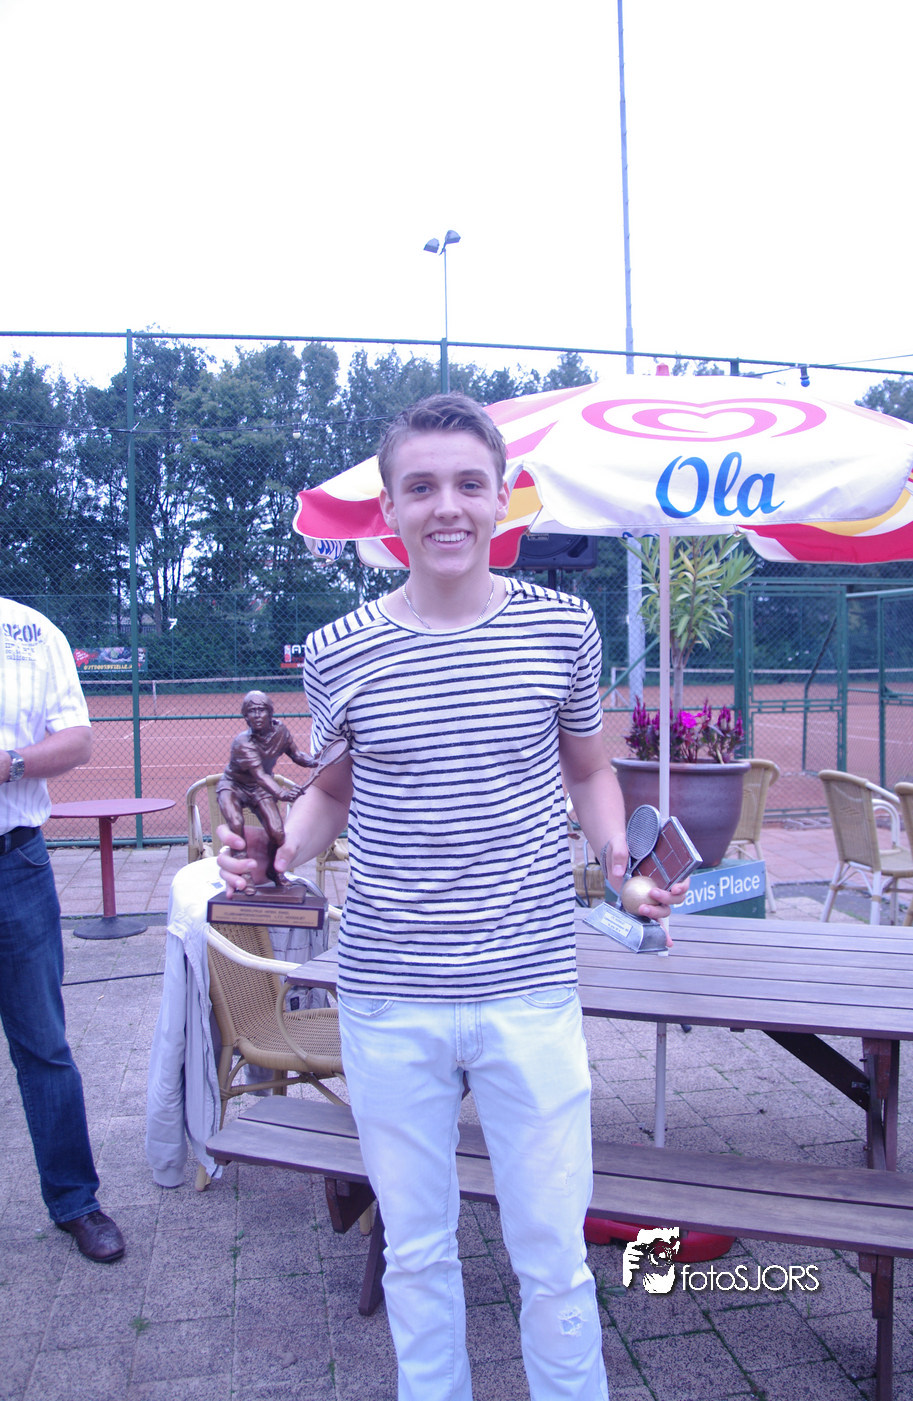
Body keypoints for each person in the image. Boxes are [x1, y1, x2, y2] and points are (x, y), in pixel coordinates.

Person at [217, 394, 688, 1400]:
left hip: (530, 986)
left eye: (469, 483)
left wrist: (620, 861)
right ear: (389, 509)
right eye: (421, 486)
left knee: (552, 1256)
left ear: (501, 498)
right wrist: (277, 854)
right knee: (417, 1252)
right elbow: (332, 790)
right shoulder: (340, 648)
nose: (446, 506)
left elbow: (589, 770)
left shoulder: (561, 626)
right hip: (389, 994)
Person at [0, 597, 125, 1263]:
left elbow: (77, 740)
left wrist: (8, 763)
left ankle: (76, 1202)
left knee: (44, 1046)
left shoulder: (29, 631)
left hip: (13, 863)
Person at [215, 690, 318, 888]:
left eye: (261, 710)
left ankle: (273, 870)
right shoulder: (242, 743)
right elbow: (260, 775)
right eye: (251, 711)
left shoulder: (281, 731)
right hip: (233, 786)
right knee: (236, 823)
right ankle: (244, 873)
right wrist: (283, 794)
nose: (256, 715)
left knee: (278, 833)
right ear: (245, 717)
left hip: (259, 789)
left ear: (270, 712)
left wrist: (314, 762)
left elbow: (296, 755)